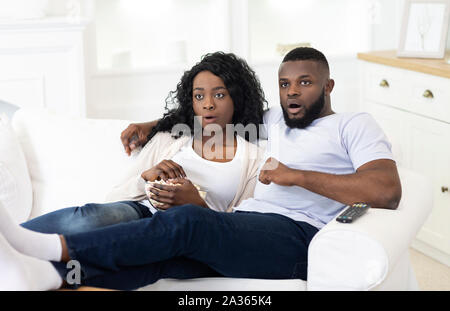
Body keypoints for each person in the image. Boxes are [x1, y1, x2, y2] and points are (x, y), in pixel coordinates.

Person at [0, 47, 402, 291]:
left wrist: (296, 176)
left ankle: (52, 247)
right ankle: (48, 276)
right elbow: (215, 111)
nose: (292, 92)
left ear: (328, 86)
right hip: (243, 227)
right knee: (156, 262)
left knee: (188, 222)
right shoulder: (274, 120)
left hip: (296, 237)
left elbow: (386, 191)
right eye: (284, 84)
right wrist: (151, 125)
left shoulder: (353, 124)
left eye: (305, 83)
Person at [19, 51, 266, 236]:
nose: (208, 104)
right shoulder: (171, 139)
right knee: (86, 218)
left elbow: (239, 233)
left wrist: (197, 205)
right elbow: (114, 197)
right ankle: (11, 240)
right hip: (139, 214)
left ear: (237, 97)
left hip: (186, 232)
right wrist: (146, 177)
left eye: (220, 95)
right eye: (199, 96)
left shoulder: (254, 160)